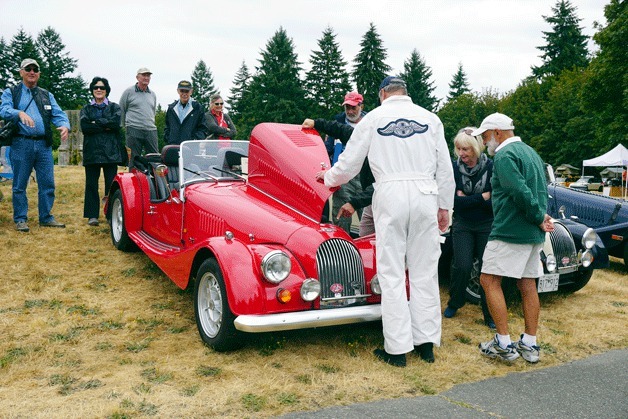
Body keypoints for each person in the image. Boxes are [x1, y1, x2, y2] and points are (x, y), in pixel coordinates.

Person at [316, 76, 455, 366]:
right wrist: (446, 207)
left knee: (391, 273)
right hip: (425, 193)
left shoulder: (374, 118)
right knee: (425, 272)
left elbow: (350, 162)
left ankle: (397, 349)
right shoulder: (431, 119)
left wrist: (327, 178)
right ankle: (426, 343)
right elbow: (445, 168)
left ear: (382, 94)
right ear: (406, 92)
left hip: (390, 193)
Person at [472, 113, 554, 364]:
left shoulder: (505, 155)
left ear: (497, 132)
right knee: (528, 285)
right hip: (531, 231)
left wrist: (538, 216)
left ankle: (503, 343)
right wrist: (540, 217)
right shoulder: (530, 152)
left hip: (511, 229)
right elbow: (538, 189)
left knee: (488, 280)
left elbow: (519, 190)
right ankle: (530, 343)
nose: (485, 143)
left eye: (485, 136)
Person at [0, 58, 70, 232]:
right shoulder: (12, 92)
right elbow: (3, 110)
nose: (32, 72)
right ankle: (20, 219)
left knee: (47, 183)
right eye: (28, 69)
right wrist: (19, 113)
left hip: (43, 146)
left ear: (39, 73)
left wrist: (64, 125)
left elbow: (58, 113)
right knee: (19, 184)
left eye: (35, 69)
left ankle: (46, 217)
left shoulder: (46, 94)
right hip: (21, 143)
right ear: (21, 72)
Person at [444, 127, 494, 328]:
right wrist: (481, 197)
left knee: (486, 268)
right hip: (463, 223)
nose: (462, 154)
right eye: (459, 149)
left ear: (476, 148)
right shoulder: (454, 169)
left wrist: (467, 198)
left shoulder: (491, 167)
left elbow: (494, 201)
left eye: (466, 149)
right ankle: (455, 302)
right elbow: (454, 202)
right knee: (462, 265)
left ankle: (489, 313)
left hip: (486, 224)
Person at [302, 117, 375, 236]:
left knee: (379, 237)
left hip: (384, 199)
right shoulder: (367, 136)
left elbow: (377, 186)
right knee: (364, 229)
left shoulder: (388, 152)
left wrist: (354, 203)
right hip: (369, 191)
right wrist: (317, 123)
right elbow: (344, 131)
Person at [80, 77, 125, 227]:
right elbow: (85, 127)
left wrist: (96, 122)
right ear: (92, 90)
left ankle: (110, 213)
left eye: (102, 87)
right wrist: (105, 125)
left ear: (107, 90)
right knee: (91, 184)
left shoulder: (115, 107)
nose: (99, 90)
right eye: (96, 87)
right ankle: (92, 215)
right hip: (92, 151)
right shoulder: (86, 109)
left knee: (111, 185)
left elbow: (116, 124)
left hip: (110, 152)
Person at [327, 92, 367, 235]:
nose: (350, 111)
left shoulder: (371, 122)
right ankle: (341, 250)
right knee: (340, 219)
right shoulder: (337, 123)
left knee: (368, 218)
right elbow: (328, 148)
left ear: (361, 106)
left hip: (365, 177)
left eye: (353, 108)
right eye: (347, 108)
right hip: (344, 177)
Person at [119, 67, 157, 169]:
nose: (146, 77)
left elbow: (152, 112)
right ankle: (133, 182)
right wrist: (123, 128)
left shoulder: (152, 94)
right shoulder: (128, 92)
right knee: (133, 159)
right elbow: (122, 110)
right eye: (143, 75)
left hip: (150, 130)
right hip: (133, 129)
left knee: (154, 158)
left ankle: (155, 183)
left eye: (148, 75)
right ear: (137, 77)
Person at [164, 80, 208, 145]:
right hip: (173, 146)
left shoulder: (197, 108)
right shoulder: (171, 108)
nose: (184, 94)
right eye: (182, 91)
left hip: (191, 147)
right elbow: (167, 127)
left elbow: (203, 128)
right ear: (178, 91)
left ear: (191, 91)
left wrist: (195, 140)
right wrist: (169, 138)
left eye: (187, 91)